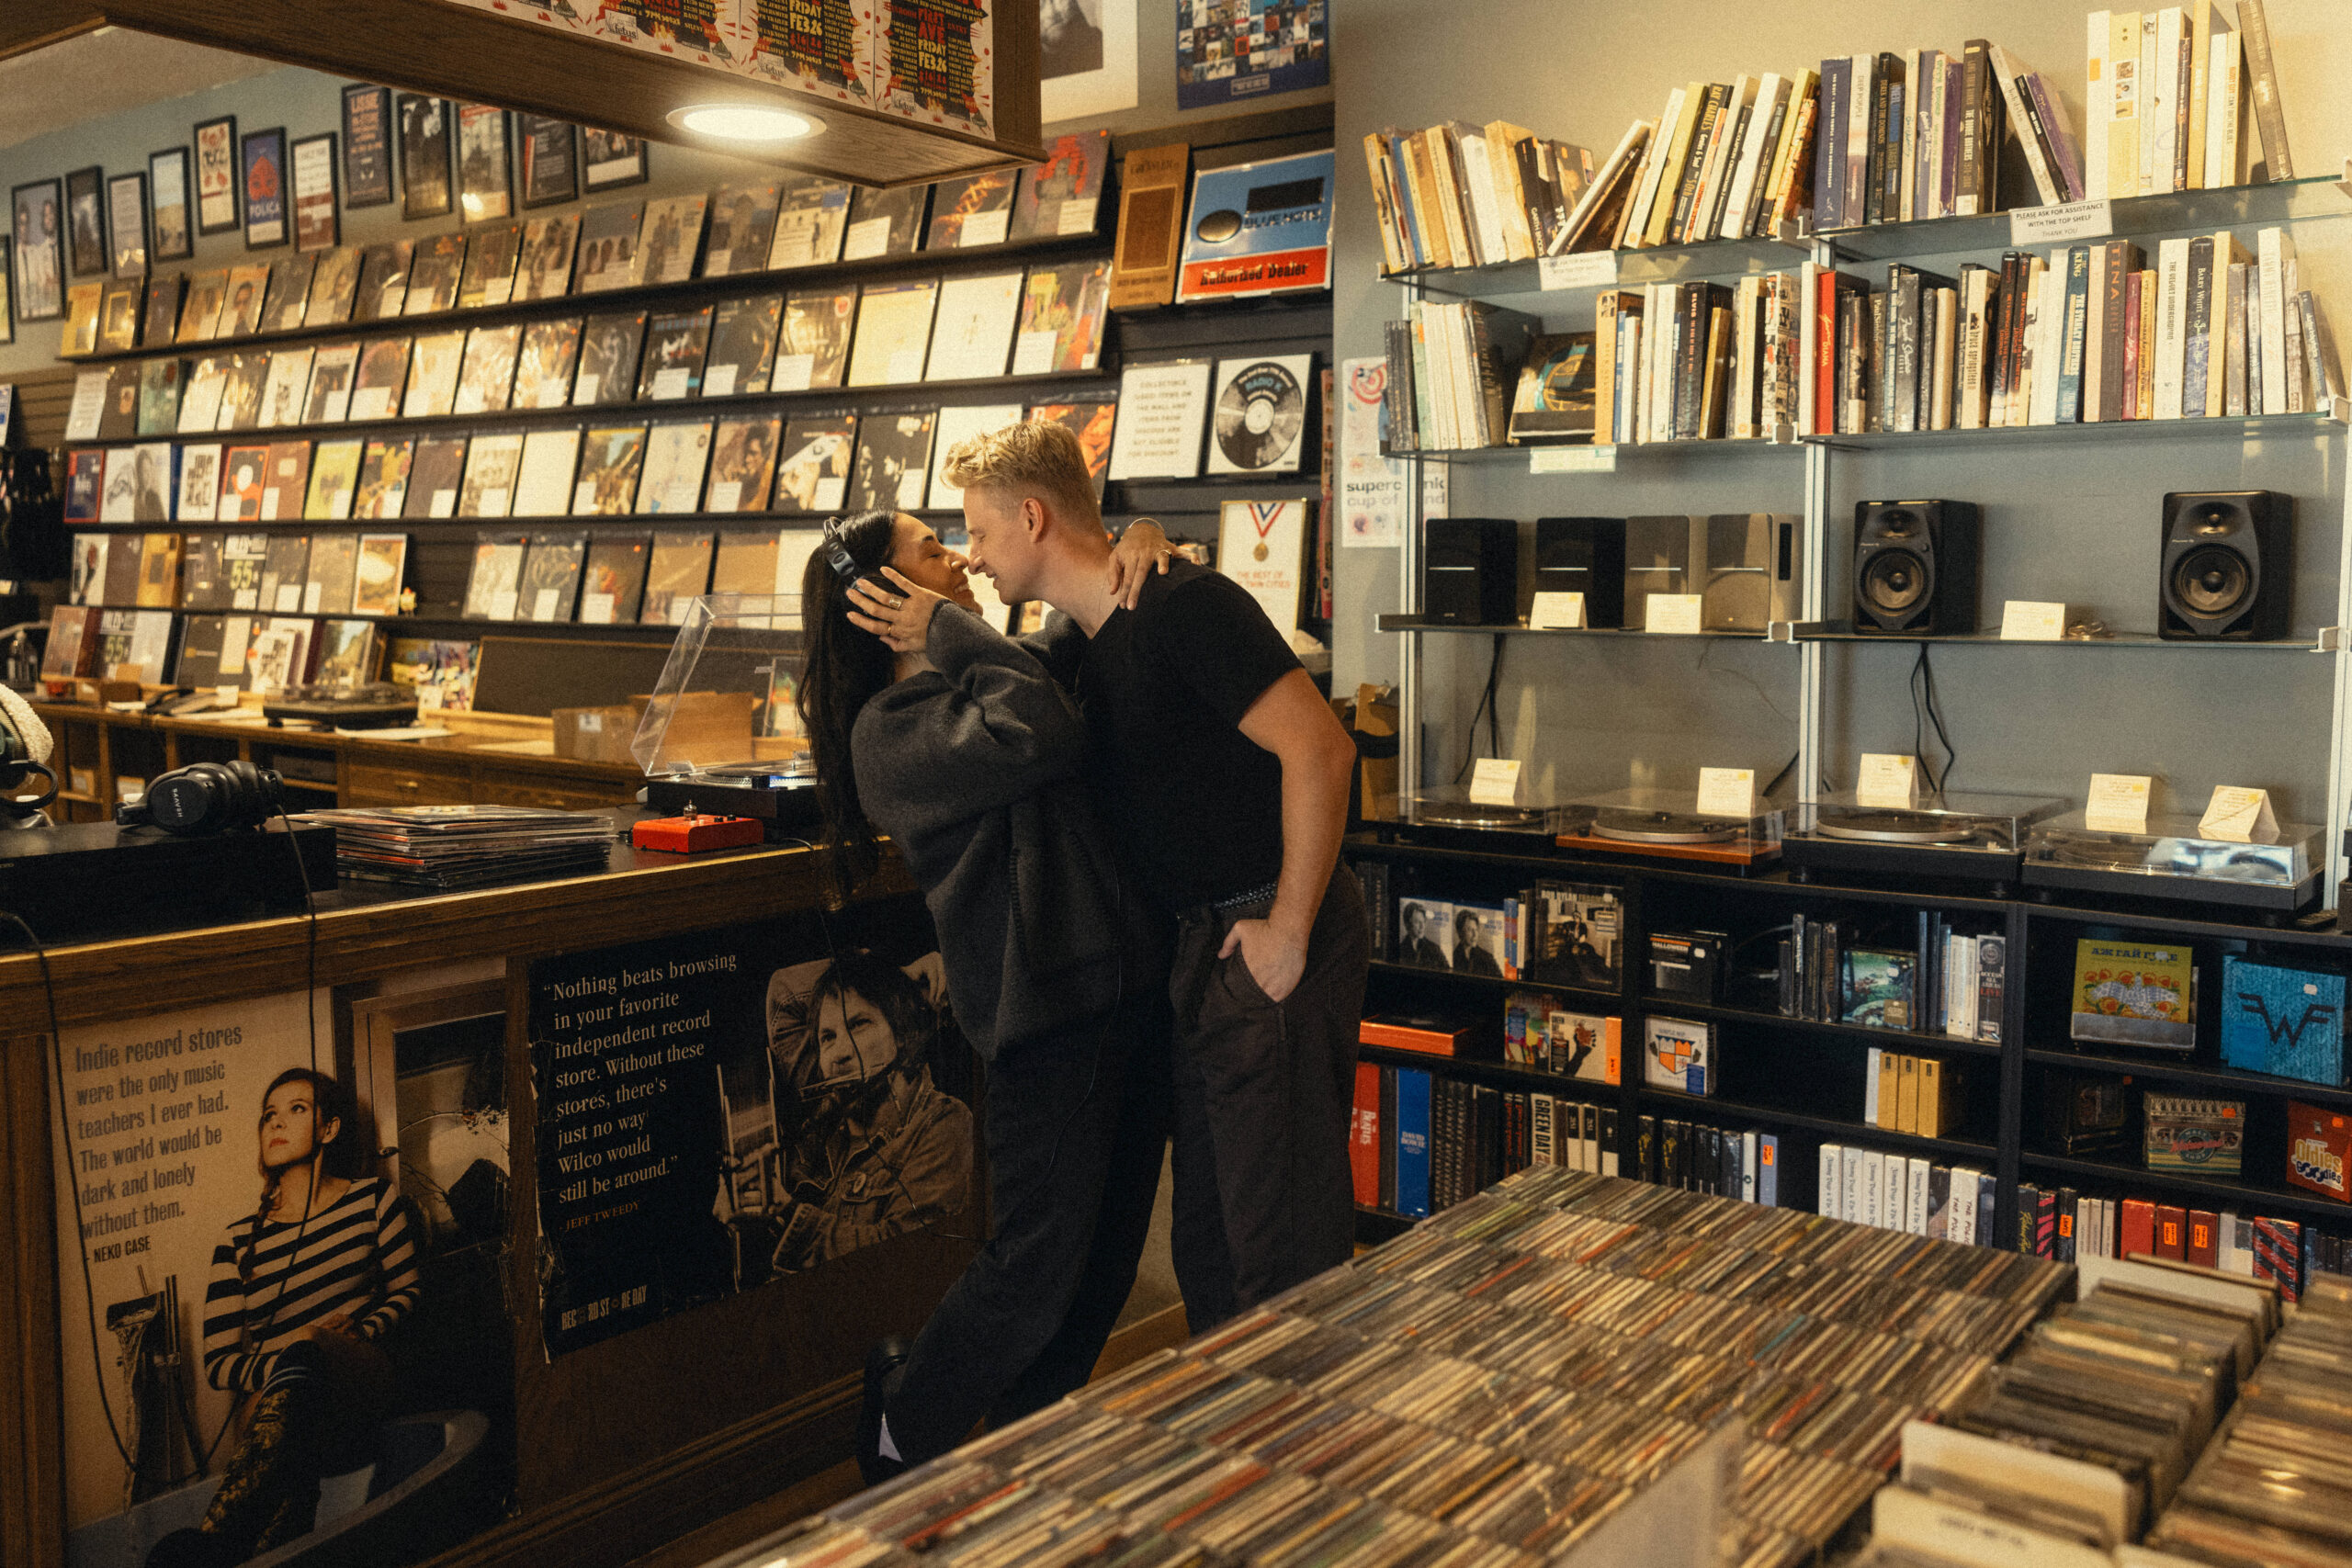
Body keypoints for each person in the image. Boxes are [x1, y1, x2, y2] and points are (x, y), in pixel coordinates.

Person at [936, 419, 1367, 1331]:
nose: (970, 556)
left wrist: (1287, 932)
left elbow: (1322, 752)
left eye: (977, 531)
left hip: (1264, 930)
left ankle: (1312, 1461)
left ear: (1031, 515)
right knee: (1214, 1250)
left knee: (1274, 1256)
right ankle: (1237, 1460)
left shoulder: (1183, 604)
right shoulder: (1083, 641)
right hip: (1203, 948)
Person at [798, 506, 1175, 1481]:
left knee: (1100, 1270)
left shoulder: (977, 672)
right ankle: (902, 1428)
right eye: (929, 550)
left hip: (1125, 994)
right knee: (1033, 1267)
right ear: (877, 598)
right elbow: (1042, 731)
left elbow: (1076, 633)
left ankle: (1022, 1460)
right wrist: (946, 629)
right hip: (1043, 1020)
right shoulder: (889, 735)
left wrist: (1134, 535)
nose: (957, 558)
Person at [149, 1070, 422, 1568]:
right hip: (282, 1410)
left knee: (309, 1353)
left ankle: (217, 1538)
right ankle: (252, 1549)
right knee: (295, 1403)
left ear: (329, 1128)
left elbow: (410, 1293)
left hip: (359, 1383)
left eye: (295, 1109)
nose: (276, 1122)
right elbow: (219, 1363)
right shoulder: (236, 1241)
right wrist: (298, 1344)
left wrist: (354, 1332)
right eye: (268, 1115)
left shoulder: (374, 1200)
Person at [763, 949, 974, 1271]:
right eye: (827, 1038)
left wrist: (785, 1213)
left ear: (903, 1033)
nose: (840, 1054)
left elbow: (904, 1253)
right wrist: (897, 973)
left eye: (859, 1025)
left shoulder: (945, 1124)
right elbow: (785, 993)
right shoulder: (823, 1131)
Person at [1453, 908, 1501, 976]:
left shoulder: (1487, 958)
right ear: (1460, 931)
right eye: (1469, 929)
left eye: (1476, 929)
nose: (1475, 934)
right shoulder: (1453, 957)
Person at [1401, 902, 1448, 968]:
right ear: (1408, 924)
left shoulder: (1434, 949)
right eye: (1417, 922)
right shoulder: (1400, 949)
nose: (1422, 926)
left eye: (1423, 921)